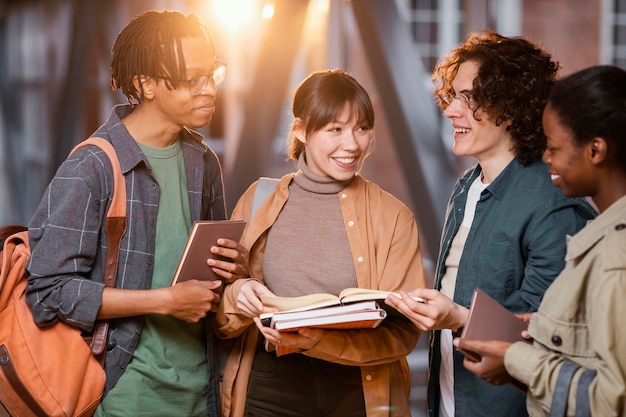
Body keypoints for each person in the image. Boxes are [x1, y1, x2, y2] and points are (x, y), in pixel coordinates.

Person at [25, 10, 248, 417]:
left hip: (203, 393)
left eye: (211, 74)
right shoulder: (91, 168)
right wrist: (163, 301)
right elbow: (47, 291)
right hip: (124, 396)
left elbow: (210, 279)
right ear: (145, 84)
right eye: (189, 79)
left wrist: (236, 267)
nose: (208, 90)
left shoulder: (203, 161)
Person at [384, 30, 597, 417]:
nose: (450, 111)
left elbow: (553, 340)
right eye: (453, 97)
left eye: (470, 98)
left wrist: (457, 318)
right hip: (450, 401)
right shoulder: (467, 185)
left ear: (512, 107)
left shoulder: (553, 203)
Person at [214, 69, 425, 417]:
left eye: (362, 128)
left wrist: (320, 341)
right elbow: (219, 316)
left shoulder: (394, 216)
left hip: (358, 387)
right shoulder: (257, 199)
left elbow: (403, 331)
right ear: (300, 129)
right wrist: (237, 295)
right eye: (335, 130)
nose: (352, 144)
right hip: (271, 383)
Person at [455, 64, 626, 416]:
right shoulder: (602, 236)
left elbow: (612, 400)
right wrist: (545, 329)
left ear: (596, 150)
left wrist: (517, 360)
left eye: (554, 147)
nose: (546, 158)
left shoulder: (616, 256)